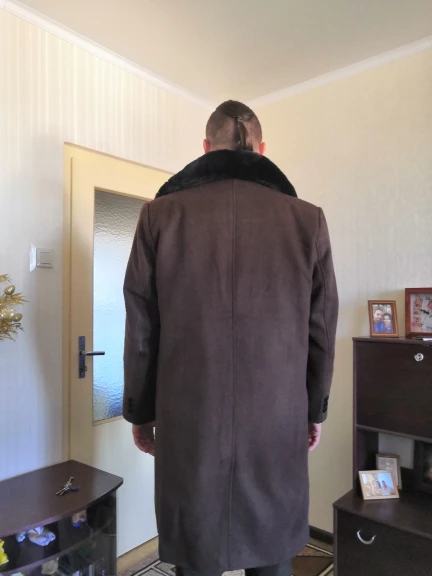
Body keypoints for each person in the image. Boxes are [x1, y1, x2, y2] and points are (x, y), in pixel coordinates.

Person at [123, 100, 339, 576]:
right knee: (272, 556)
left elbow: (142, 326)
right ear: (263, 150)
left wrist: (140, 409)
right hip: (277, 420)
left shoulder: (159, 215)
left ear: (205, 148)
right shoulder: (307, 220)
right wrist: (314, 409)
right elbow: (322, 328)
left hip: (190, 421)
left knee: (197, 553)